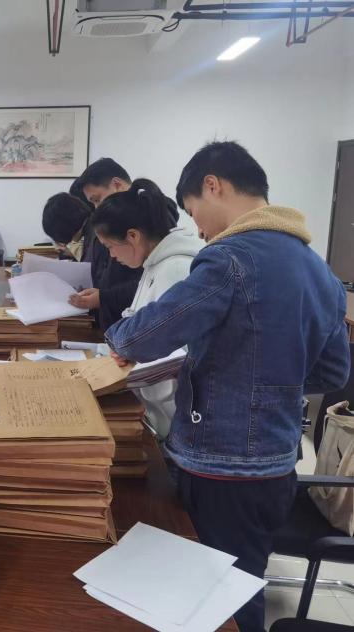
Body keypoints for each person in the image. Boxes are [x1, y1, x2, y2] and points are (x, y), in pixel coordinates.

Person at [104, 141, 350, 631]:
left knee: (222, 599)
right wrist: (267, 382)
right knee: (243, 578)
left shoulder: (230, 259)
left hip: (221, 465)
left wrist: (117, 336)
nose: (197, 228)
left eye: (194, 210)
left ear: (213, 185)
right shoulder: (318, 269)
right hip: (277, 465)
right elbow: (333, 372)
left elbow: (146, 334)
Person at [90, 178, 204, 438]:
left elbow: (173, 354)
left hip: (168, 418)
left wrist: (131, 350)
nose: (111, 255)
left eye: (110, 247)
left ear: (133, 236)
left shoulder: (175, 269)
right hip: (150, 405)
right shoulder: (155, 262)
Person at [43, 189, 143, 328]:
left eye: (96, 200)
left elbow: (115, 282)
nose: (112, 254)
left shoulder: (97, 236)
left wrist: (101, 297)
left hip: (118, 320)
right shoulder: (93, 233)